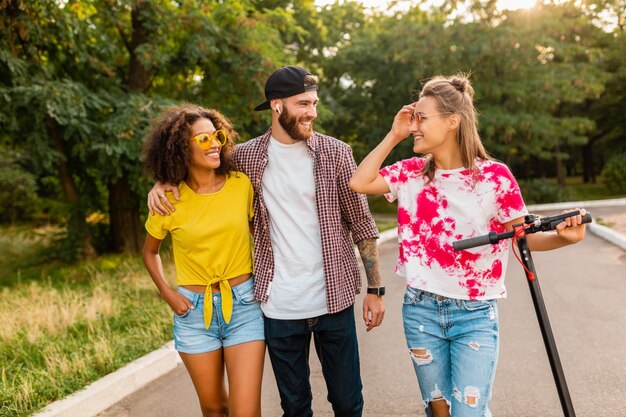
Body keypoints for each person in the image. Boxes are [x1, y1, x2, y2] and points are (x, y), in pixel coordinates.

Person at [147, 66, 385, 417]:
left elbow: (362, 223)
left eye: (315, 103)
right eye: (304, 103)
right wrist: (161, 182)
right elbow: (195, 172)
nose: (313, 113)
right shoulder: (245, 158)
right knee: (294, 407)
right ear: (277, 106)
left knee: (349, 404)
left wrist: (375, 289)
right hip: (278, 307)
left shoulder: (336, 153)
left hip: (333, 299)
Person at [349, 74, 587, 417]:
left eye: (422, 119)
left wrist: (564, 238)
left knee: (469, 413)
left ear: (452, 122)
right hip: (420, 310)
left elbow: (522, 239)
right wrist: (394, 134)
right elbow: (360, 181)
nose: (414, 126)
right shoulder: (411, 173)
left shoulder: (494, 178)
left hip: (474, 313)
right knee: (440, 412)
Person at [142, 104, 265, 417]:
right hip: (194, 314)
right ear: (182, 148)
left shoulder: (241, 184)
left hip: (245, 308)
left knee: (246, 412)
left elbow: (261, 235)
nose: (215, 144)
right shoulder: (168, 199)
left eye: (217, 136)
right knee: (213, 409)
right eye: (203, 139)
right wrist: (167, 293)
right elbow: (149, 251)